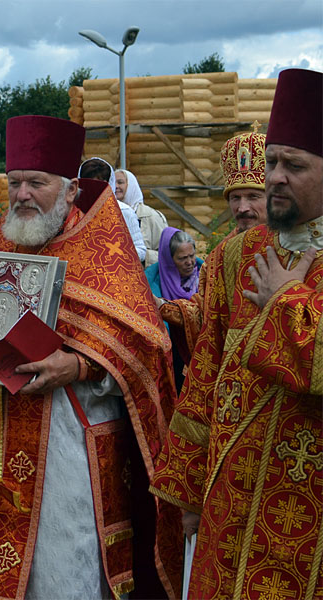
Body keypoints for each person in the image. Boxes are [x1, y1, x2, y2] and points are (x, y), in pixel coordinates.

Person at [0, 115, 183, 600]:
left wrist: (78, 365)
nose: (22, 195)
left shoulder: (103, 247)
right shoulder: (7, 234)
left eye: (36, 183)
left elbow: (146, 345)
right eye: (15, 182)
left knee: (64, 566)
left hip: (69, 437)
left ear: (70, 189)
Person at [151, 67, 323, 599]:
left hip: (311, 510)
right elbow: (206, 373)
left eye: (294, 165)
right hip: (230, 499)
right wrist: (187, 489)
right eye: (271, 162)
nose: (275, 178)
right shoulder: (235, 255)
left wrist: (287, 302)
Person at [156, 128, 268, 364]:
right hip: (230, 369)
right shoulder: (220, 255)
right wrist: (162, 306)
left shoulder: (294, 247)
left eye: (253, 196)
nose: (242, 208)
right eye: (235, 198)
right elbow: (204, 314)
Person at [145, 227, 203, 392]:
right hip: (172, 348)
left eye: (191, 256)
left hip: (200, 347)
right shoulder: (152, 282)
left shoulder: (205, 275)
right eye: (182, 258)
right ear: (169, 260)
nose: (190, 262)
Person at [79, 157, 147, 263]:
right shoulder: (72, 211)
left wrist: (114, 254)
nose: (94, 189)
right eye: (89, 184)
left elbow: (140, 250)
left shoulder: (123, 211)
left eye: (100, 184)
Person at [115, 169, 168, 266]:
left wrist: (142, 254)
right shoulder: (108, 215)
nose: (116, 186)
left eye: (120, 182)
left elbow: (166, 254)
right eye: (113, 182)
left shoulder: (151, 216)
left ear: (131, 185)